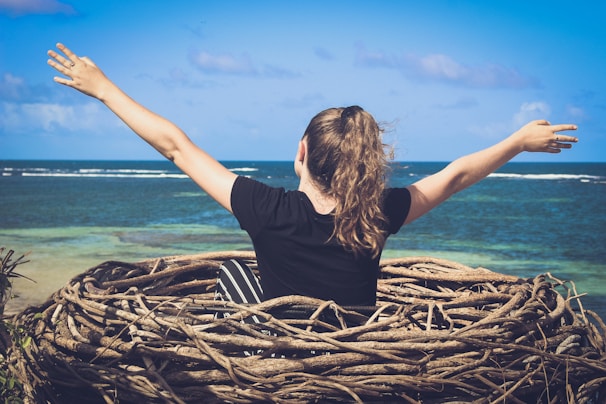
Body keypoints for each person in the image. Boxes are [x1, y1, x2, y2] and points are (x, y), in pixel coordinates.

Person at [47, 43, 578, 308]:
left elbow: (176, 148)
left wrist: (104, 89)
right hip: (351, 350)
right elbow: (458, 175)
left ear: (300, 152)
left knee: (232, 273)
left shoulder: (266, 211)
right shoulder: (379, 215)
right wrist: (517, 142)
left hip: (281, 346)